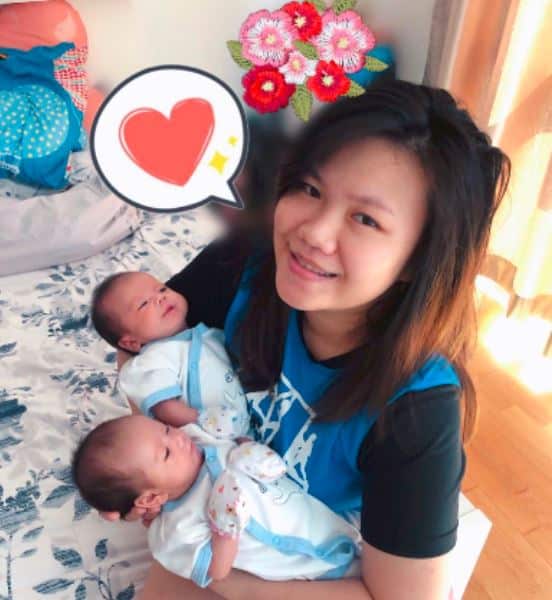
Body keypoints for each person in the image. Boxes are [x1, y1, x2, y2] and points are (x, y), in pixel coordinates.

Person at [106, 80, 510, 599]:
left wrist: (227, 580)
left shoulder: (416, 412)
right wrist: (154, 463)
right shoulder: (246, 264)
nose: (313, 234)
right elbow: (135, 346)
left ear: (418, 259)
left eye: (365, 219)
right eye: (311, 189)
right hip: (220, 514)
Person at [73, 414, 362, 584]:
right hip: (307, 565)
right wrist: (224, 531)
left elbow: (230, 437)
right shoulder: (174, 532)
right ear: (151, 497)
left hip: (320, 516)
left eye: (165, 429)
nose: (177, 439)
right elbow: (217, 572)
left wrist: (244, 445)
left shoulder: (197, 441)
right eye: (166, 453)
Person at [91, 271, 248, 429]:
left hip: (245, 422)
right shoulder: (148, 362)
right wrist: (204, 421)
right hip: (205, 432)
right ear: (131, 342)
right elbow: (165, 408)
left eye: (162, 289)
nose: (161, 298)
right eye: (144, 304)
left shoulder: (212, 335)